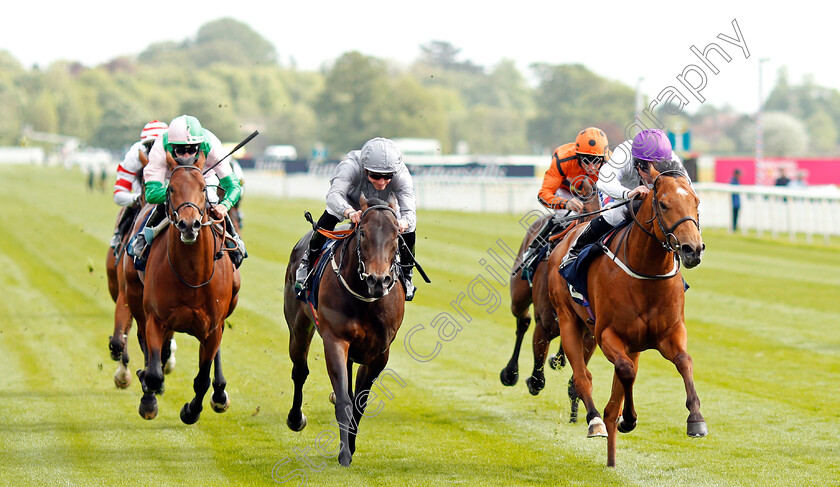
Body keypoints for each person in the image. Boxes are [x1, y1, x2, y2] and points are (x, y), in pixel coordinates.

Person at [294, 137, 418, 300]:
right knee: (328, 220)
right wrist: (349, 212)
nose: (382, 182)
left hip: (384, 209)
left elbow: (410, 211)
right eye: (375, 176)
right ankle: (306, 265)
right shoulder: (350, 166)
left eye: (388, 177)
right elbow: (334, 196)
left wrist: (405, 222)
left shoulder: (401, 174)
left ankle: (407, 275)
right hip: (349, 204)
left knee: (409, 229)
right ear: (365, 169)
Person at [560, 128, 693, 269]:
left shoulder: (671, 160)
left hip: (651, 197)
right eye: (651, 172)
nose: (654, 178)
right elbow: (603, 182)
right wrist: (628, 193)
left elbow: (691, 195)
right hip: (619, 191)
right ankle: (575, 251)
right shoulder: (623, 154)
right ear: (639, 165)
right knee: (614, 216)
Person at [132, 115, 246, 268]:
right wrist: (180, 190)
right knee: (167, 203)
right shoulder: (160, 147)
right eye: (180, 150)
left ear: (199, 146)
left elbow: (234, 186)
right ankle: (143, 238)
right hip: (172, 179)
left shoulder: (212, 145)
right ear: (172, 146)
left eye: (192, 150)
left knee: (212, 199)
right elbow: (152, 194)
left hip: (205, 176)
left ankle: (233, 238)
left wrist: (224, 205)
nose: (187, 155)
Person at [517, 127, 609, 277]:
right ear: (577, 156)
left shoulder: (612, 164)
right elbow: (544, 194)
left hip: (594, 195)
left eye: (596, 161)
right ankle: (533, 251)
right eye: (586, 161)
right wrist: (564, 203)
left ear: (604, 159)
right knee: (566, 216)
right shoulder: (563, 157)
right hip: (567, 194)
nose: (591, 167)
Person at [110, 120, 168, 248]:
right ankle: (119, 235)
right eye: (151, 146)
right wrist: (138, 198)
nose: (156, 151)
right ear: (145, 147)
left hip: (165, 196)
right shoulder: (133, 157)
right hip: (140, 196)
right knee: (131, 207)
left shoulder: (175, 154)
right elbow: (118, 195)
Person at [730, 168, 741, 233]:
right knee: (734, 215)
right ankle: (733, 227)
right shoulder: (733, 181)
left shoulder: (736, 181)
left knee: (736, 215)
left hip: (737, 202)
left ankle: (735, 227)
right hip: (734, 202)